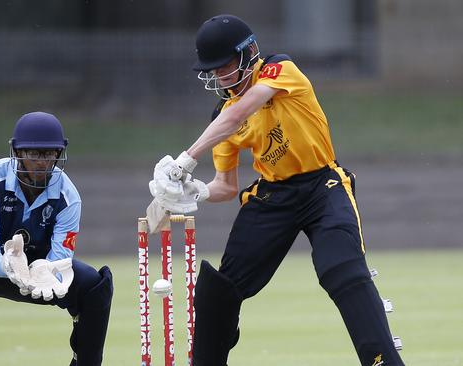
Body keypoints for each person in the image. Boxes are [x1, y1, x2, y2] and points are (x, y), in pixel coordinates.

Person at [149, 14, 404, 366]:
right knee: (220, 290)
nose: (219, 77)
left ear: (249, 52)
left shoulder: (279, 69)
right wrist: (197, 192)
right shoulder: (221, 116)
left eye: (224, 66)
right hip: (273, 197)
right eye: (213, 71)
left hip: (323, 186)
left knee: (343, 270)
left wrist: (185, 161)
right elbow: (226, 185)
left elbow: (239, 115)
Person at [0, 111, 113, 366]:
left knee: (94, 284)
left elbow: (61, 258)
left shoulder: (69, 197)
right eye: (34, 154)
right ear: (17, 152)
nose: (42, 162)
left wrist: (43, 272)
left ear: (59, 154)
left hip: (40, 268)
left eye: (49, 154)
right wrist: (8, 266)